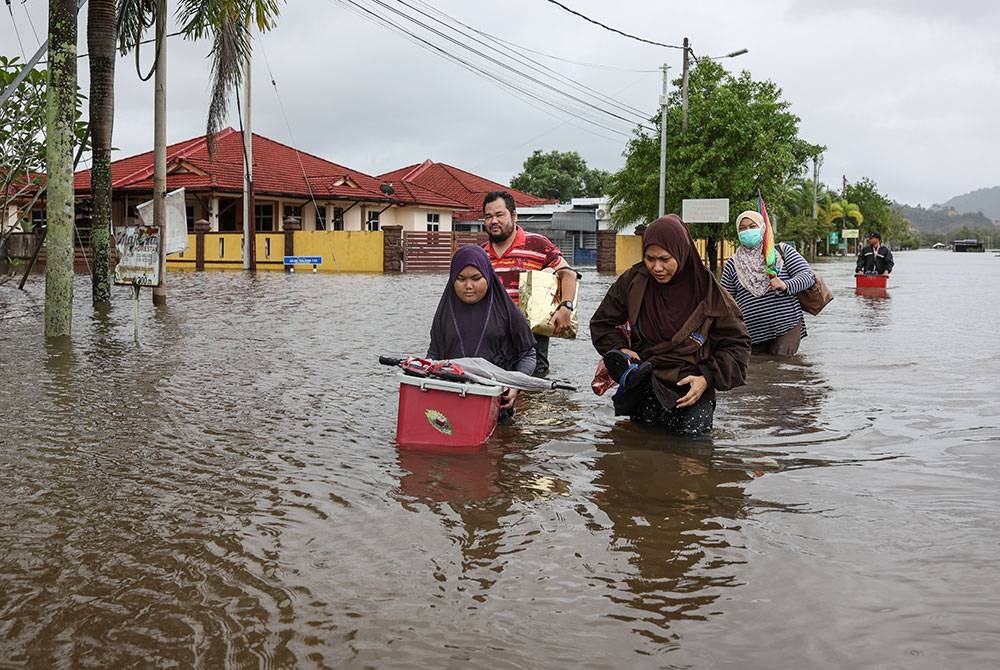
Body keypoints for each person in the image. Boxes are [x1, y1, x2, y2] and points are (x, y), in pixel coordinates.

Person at [590, 215, 750, 436]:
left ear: (681, 252)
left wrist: (707, 378)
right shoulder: (632, 282)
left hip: (691, 389)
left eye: (665, 259)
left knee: (693, 458)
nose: (657, 267)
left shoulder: (709, 292)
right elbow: (602, 323)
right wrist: (620, 348)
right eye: (650, 258)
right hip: (644, 384)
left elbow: (737, 344)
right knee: (637, 451)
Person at [428, 245, 536, 412]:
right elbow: (434, 354)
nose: (468, 285)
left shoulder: (507, 312)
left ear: (488, 276)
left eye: (476, 278)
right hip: (451, 396)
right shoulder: (444, 312)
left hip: (496, 398)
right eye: (461, 279)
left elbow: (528, 353)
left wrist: (515, 385)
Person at [481, 191, 578, 377]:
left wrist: (566, 307)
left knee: (532, 392)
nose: (494, 221)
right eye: (488, 216)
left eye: (500, 215)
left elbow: (568, 274)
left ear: (514, 216)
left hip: (531, 336)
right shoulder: (480, 255)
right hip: (491, 339)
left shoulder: (537, 245)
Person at [720, 210, 816, 356]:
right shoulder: (733, 264)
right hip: (751, 333)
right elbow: (725, 301)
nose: (748, 231)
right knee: (758, 371)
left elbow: (808, 276)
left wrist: (785, 285)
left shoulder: (782, 252)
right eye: (742, 228)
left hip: (786, 325)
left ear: (763, 228)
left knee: (781, 365)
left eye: (752, 226)